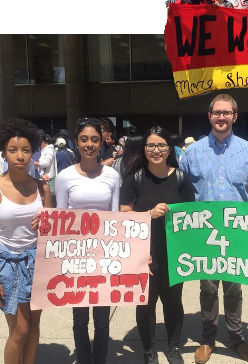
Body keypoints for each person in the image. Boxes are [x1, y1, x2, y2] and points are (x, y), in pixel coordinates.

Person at [179, 93, 248, 364]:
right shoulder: (192, 152)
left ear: (234, 116)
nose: (221, 117)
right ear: (209, 116)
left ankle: (235, 337)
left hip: (237, 234)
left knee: (234, 290)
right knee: (207, 289)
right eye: (216, 112)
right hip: (204, 235)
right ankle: (208, 339)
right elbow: (182, 190)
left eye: (226, 113)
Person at [120, 126, 195, 364]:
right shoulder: (135, 178)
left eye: (161, 145)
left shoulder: (182, 178)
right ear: (144, 149)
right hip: (145, 254)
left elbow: (193, 216)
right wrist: (149, 214)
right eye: (151, 145)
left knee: (173, 302)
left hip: (174, 254)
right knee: (146, 302)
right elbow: (124, 216)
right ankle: (149, 348)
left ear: (169, 149)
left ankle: (173, 347)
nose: (156, 150)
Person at [55, 118, 120, 364]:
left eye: (94, 139)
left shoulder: (112, 175)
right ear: (76, 142)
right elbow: (60, 218)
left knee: (102, 321)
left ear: (101, 142)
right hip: (75, 258)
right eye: (84, 139)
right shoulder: (64, 177)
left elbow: (115, 218)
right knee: (80, 320)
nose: (89, 144)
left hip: (104, 257)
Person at [0, 118, 52, 364]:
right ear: (4, 152)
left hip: (37, 263)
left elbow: (52, 232)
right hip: (7, 265)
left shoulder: (43, 189)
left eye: (26, 150)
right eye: (13, 150)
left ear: (33, 153)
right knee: (19, 329)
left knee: (33, 326)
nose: (20, 156)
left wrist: (47, 224)